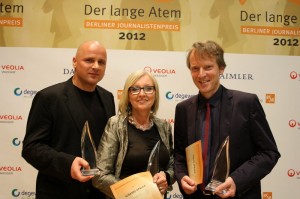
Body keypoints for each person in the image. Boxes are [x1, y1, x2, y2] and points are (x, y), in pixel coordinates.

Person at [174, 40, 280, 199]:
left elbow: (268, 152)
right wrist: (182, 177)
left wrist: (237, 180)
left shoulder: (246, 103)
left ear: (221, 68)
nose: (201, 74)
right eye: (195, 68)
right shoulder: (183, 109)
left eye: (208, 67)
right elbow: (179, 156)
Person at [22, 40, 116, 199]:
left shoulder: (108, 98)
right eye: (89, 60)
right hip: (59, 192)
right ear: (74, 62)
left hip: (98, 194)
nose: (96, 66)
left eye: (101, 62)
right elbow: (31, 148)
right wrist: (68, 163)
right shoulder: (48, 97)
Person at [92, 70, 175, 198]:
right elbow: (100, 176)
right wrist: (134, 193)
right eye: (135, 89)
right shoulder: (116, 125)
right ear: (128, 95)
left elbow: (172, 164)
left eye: (148, 89)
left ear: (155, 94)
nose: (142, 94)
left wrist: (166, 177)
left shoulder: (164, 127)